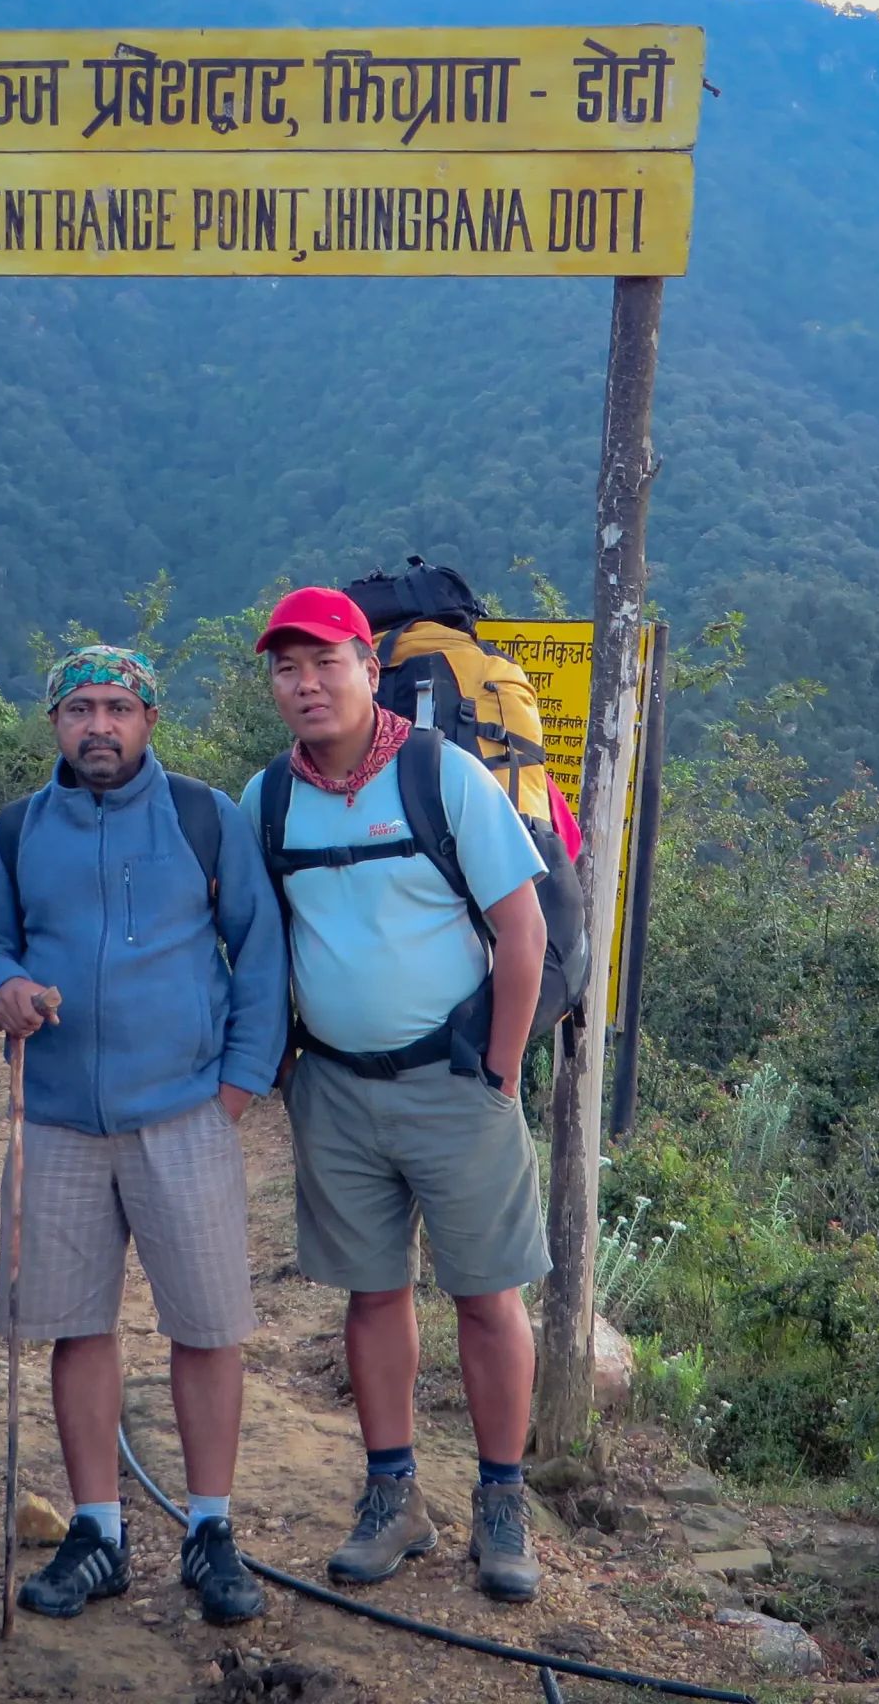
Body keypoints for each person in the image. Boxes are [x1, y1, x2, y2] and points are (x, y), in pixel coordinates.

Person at [0, 645, 287, 1626]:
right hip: (53, 1119)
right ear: (53, 722)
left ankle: (211, 1528)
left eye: (117, 709)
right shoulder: (17, 833)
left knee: (208, 1325)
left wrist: (232, 1093)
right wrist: (0, 988)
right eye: (79, 710)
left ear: (149, 719)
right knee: (74, 1324)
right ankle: (96, 1531)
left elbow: (259, 959)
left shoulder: (202, 819)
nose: (98, 726)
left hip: (185, 1114)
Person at [239, 588, 553, 1604]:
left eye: (324, 662)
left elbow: (522, 930)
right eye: (287, 669)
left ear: (369, 669)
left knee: (485, 1295)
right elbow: (248, 943)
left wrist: (502, 1065)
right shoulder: (266, 801)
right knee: (371, 1295)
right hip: (333, 1088)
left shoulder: (440, 775)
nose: (305, 683)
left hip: (455, 1082)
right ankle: (393, 1498)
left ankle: (501, 1505)